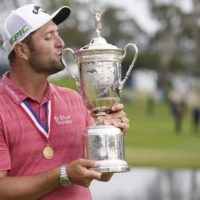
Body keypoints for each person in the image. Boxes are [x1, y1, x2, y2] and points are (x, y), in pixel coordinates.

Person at [0, 4, 130, 200]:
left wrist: (111, 136)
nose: (60, 42)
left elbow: (102, 174)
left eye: (57, 33)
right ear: (22, 51)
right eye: (48, 37)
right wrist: (63, 174)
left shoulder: (75, 100)